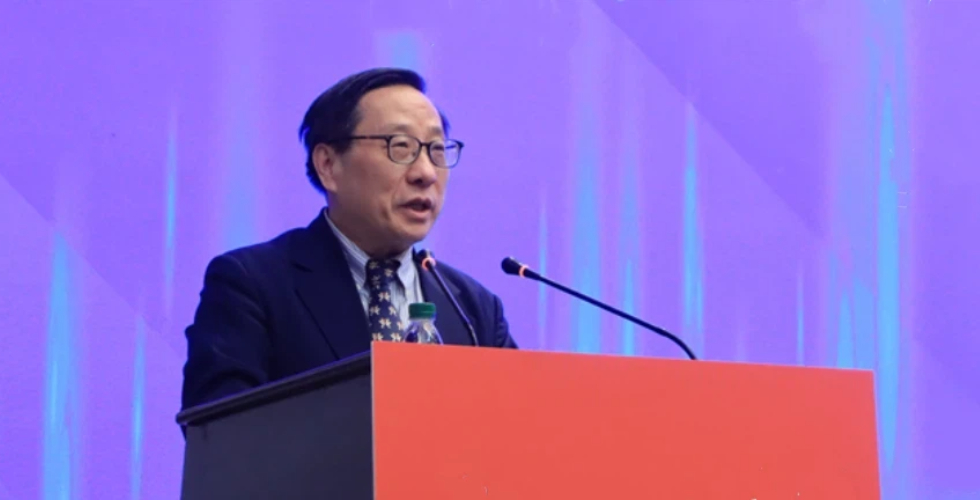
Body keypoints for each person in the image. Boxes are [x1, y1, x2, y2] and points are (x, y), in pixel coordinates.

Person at [180, 68, 518, 411]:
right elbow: (219, 432)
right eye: (400, 147)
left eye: (436, 150)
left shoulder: (474, 309)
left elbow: (516, 426)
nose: (426, 173)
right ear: (328, 165)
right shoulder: (252, 285)